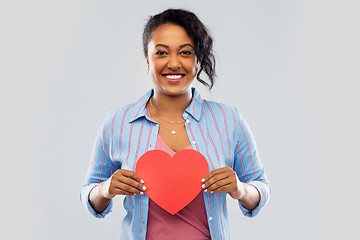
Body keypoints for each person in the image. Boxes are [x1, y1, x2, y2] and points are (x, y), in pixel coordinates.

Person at [80, 8, 270, 240]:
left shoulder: (229, 120)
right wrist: (105, 189)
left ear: (197, 59)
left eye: (185, 52)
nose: (173, 63)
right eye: (161, 52)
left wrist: (240, 189)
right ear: (147, 60)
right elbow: (90, 196)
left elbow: (261, 188)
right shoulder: (118, 122)